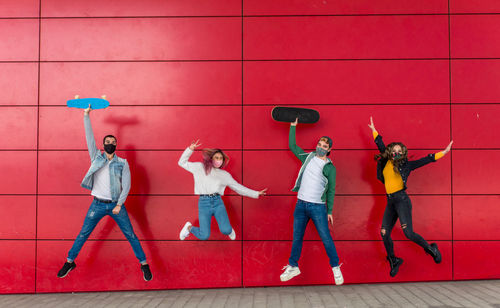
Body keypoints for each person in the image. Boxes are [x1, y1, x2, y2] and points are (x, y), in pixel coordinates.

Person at [57, 104, 152, 281]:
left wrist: (119, 205)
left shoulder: (122, 163)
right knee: (83, 234)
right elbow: (89, 138)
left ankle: (144, 264)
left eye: (112, 142)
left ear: (116, 145)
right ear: (103, 145)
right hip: (97, 205)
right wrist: (86, 115)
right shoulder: (96, 157)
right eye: (106, 142)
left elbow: (127, 186)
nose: (109, 144)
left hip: (116, 205)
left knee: (131, 235)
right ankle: (70, 261)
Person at [368, 116, 453, 277]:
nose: (396, 153)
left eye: (399, 151)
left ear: (403, 153)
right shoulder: (385, 161)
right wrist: (374, 130)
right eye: (394, 150)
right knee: (384, 233)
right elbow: (380, 143)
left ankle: (431, 249)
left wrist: (444, 152)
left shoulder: (407, 165)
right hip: (390, 201)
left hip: (402, 200)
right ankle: (394, 260)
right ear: (390, 151)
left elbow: (426, 160)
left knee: (408, 233)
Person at [280, 118, 343, 285]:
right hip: (300, 204)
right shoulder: (307, 158)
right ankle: (293, 266)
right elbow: (292, 146)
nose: (320, 147)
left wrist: (329, 211)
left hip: (317, 207)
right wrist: (293, 126)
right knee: (297, 237)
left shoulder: (330, 168)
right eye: (319, 144)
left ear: (329, 150)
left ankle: (336, 267)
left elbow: (331, 190)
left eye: (324, 146)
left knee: (325, 237)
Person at [178, 139, 267, 241]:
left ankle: (229, 230)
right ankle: (189, 228)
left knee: (226, 230)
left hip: (217, 202)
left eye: (221, 158)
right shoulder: (199, 167)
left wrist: (256, 193)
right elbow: (182, 162)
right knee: (204, 236)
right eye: (216, 157)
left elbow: (238, 188)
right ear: (211, 158)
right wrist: (190, 149)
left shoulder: (225, 175)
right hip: (203, 203)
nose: (218, 160)